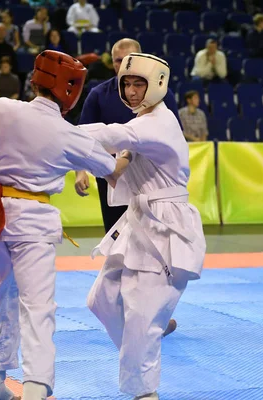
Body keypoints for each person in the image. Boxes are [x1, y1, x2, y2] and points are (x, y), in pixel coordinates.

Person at [0, 50, 130, 400]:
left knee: (1, 297)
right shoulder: (67, 133)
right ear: (71, 90)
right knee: (38, 306)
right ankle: (35, 390)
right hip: (31, 217)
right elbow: (113, 172)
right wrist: (131, 146)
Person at [75, 52, 206, 400]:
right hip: (138, 222)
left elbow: (110, 133)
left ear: (158, 85)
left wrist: (55, 132)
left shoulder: (157, 122)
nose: (131, 91)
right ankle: (144, 343)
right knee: (101, 300)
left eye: (139, 84)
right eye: (126, 83)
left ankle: (144, 391)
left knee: (140, 320)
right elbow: (119, 157)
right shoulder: (142, 123)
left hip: (166, 227)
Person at [78, 38, 181, 234]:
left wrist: (60, 134)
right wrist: (81, 169)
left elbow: (122, 137)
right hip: (113, 177)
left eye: (129, 59)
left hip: (151, 179)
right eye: (118, 60)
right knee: (116, 236)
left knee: (151, 237)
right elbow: (87, 136)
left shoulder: (162, 97)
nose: (124, 65)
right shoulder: (98, 94)